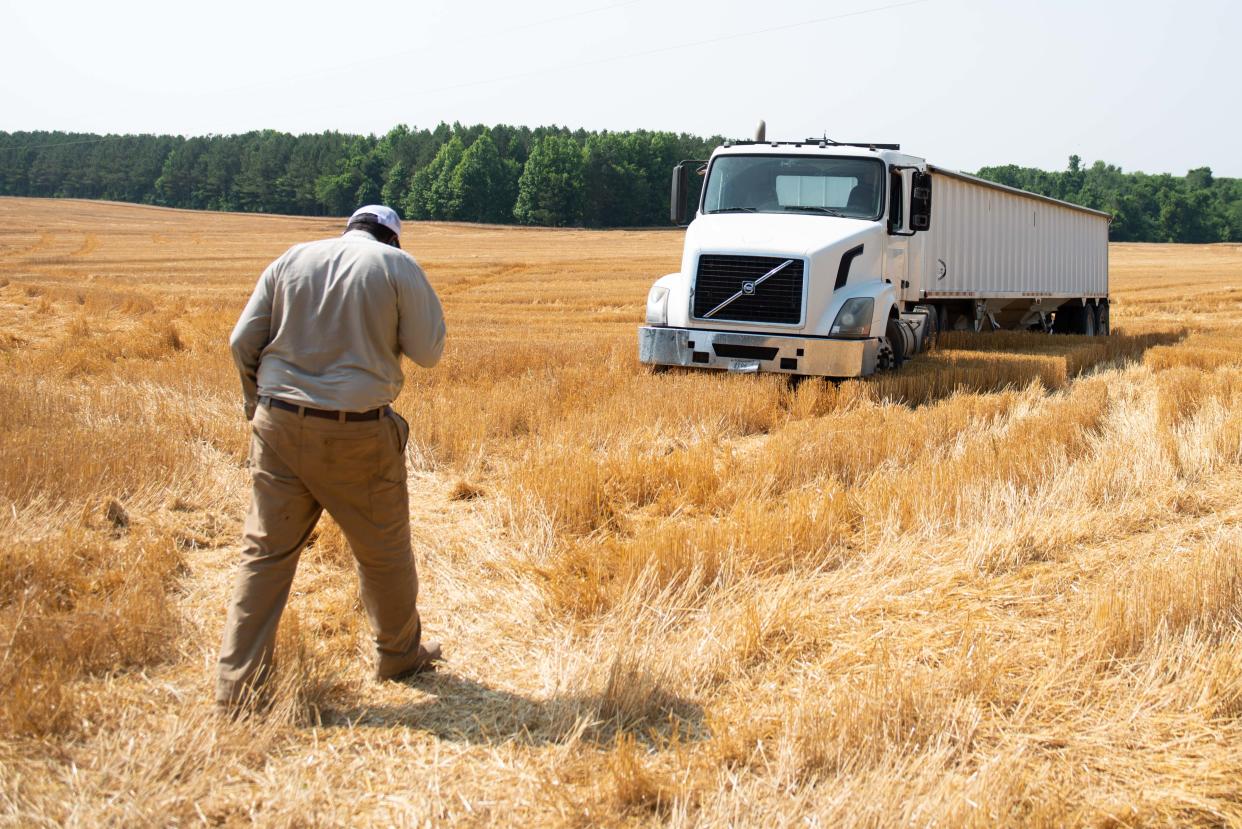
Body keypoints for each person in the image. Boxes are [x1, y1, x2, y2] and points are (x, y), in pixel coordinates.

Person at [217, 204, 446, 712]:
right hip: (356, 433)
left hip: (278, 424)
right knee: (383, 554)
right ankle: (398, 655)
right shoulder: (394, 266)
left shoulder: (291, 258)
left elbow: (241, 342)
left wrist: (254, 403)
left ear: (347, 229)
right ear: (392, 239)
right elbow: (428, 351)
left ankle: (238, 691)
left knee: (265, 556)